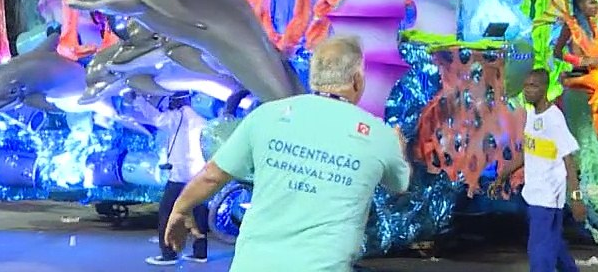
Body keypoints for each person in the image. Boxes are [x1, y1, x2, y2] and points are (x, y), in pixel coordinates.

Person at [162, 37, 410, 271]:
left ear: (314, 79)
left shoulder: (266, 115)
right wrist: (399, 150)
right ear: (357, 80)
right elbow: (399, 184)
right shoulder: (379, 135)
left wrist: (180, 209)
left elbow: (212, 177)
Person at [493, 68, 584, 272]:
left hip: (548, 198)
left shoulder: (554, 118)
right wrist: (502, 175)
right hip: (534, 195)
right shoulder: (533, 115)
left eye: (533, 86)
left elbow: (569, 160)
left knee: (539, 252)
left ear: (544, 89)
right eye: (526, 86)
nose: (527, 90)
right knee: (554, 246)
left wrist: (576, 197)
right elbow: (528, 152)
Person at [147, 92, 210, 266]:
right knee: (198, 213)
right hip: (198, 176)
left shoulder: (176, 118)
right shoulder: (201, 120)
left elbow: (156, 119)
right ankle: (200, 252)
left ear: (177, 101)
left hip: (179, 177)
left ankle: (168, 254)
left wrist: (137, 100)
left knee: (167, 214)